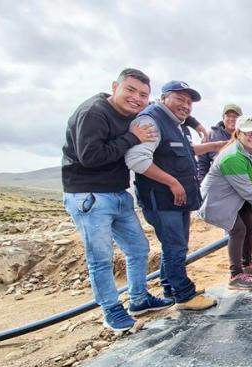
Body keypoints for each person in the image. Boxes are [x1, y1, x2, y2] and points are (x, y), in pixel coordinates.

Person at [61, 68, 175, 332]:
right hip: (89, 195)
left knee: (138, 247)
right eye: (131, 90)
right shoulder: (94, 113)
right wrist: (132, 138)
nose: (137, 98)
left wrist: (197, 125)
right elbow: (91, 156)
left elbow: (163, 108)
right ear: (115, 87)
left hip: (119, 194)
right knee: (100, 258)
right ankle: (112, 310)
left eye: (143, 94)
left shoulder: (133, 113)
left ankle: (139, 298)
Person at [124, 80, 224, 310]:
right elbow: (137, 160)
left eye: (189, 102)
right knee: (175, 246)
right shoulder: (151, 121)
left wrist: (215, 145)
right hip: (161, 199)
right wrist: (172, 183)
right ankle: (185, 296)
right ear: (163, 98)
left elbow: (186, 152)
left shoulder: (175, 124)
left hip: (176, 201)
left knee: (175, 246)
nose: (186, 105)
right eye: (179, 99)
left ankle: (169, 288)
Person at [199, 116, 252, 291]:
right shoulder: (232, 157)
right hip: (220, 199)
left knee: (249, 226)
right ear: (238, 134)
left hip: (240, 197)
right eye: (248, 133)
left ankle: (247, 265)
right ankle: (235, 275)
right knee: (238, 230)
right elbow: (248, 191)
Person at [196, 103, 242, 181]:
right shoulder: (210, 136)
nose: (232, 119)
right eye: (228, 116)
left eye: (235, 116)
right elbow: (202, 165)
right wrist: (201, 183)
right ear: (223, 118)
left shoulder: (248, 136)